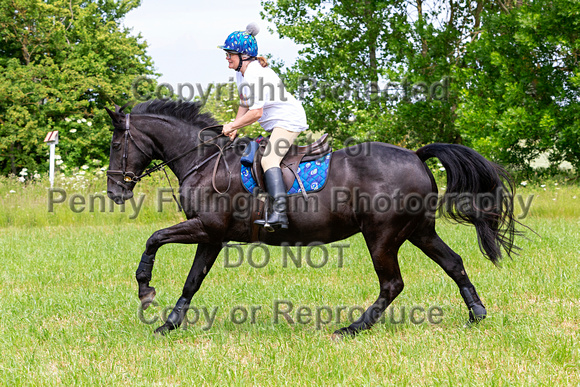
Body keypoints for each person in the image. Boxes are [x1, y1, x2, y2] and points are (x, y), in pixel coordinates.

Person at [219, 23, 309, 232]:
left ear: (243, 55)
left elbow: (256, 112)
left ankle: (280, 213)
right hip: (277, 123)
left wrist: (232, 124)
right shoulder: (241, 73)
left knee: (269, 159)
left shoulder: (255, 74)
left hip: (288, 120)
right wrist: (235, 127)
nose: (227, 58)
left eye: (230, 54)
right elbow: (244, 103)